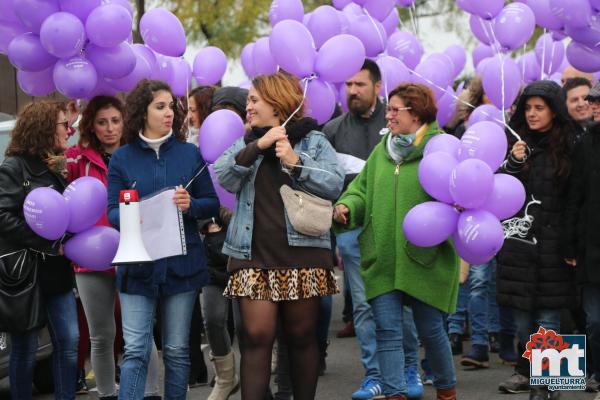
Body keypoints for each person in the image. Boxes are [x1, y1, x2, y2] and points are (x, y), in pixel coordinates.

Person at [214, 71, 344, 400]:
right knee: (256, 336)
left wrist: (295, 162)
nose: (249, 107)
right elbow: (225, 176)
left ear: (277, 103)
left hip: (303, 254)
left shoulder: (313, 140)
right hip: (252, 256)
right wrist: (258, 145)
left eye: (255, 100)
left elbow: (333, 183)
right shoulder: (247, 141)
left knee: (301, 336)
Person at [334, 83, 459, 400]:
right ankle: (394, 394)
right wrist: (348, 206)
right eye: (388, 109)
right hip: (384, 258)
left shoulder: (441, 149)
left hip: (425, 260)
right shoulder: (382, 151)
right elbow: (360, 190)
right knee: (387, 333)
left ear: (415, 114)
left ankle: (446, 392)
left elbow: (458, 195)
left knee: (432, 333)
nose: (387, 115)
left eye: (394, 110)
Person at [107, 79, 219, 399]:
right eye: (160, 106)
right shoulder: (122, 158)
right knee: (136, 351)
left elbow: (210, 203)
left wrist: (191, 205)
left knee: (176, 350)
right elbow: (112, 211)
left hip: (181, 265)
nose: (169, 112)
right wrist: (131, 215)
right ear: (142, 112)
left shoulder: (189, 154)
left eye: (171, 106)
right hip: (137, 267)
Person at [66, 95, 161, 400]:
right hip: (89, 258)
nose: (110, 129)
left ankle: (151, 394)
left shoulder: (139, 156)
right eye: (102, 122)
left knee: (140, 333)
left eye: (115, 121)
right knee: (101, 335)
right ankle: (107, 394)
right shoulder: (76, 160)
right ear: (91, 127)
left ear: (125, 122)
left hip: (134, 254)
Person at [496, 80, 575, 400]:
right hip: (519, 245)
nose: (531, 114)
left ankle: (548, 388)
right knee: (525, 321)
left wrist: (570, 242)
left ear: (554, 112)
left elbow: (575, 198)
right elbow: (495, 187)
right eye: (527, 108)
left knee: (550, 318)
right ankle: (539, 380)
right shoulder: (513, 143)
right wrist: (514, 162)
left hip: (556, 246)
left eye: (539, 108)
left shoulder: (570, 144)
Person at [0, 101, 79, 400]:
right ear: (44, 128)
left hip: (56, 272)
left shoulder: (55, 166)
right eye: (63, 124)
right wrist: (46, 243)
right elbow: (3, 217)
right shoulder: (13, 168)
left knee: (69, 342)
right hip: (25, 275)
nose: (68, 130)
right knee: (25, 348)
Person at [322, 59, 387, 400]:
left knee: (396, 305)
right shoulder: (332, 131)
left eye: (360, 84)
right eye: (348, 84)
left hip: (393, 230)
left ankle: (405, 369)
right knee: (362, 305)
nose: (352, 91)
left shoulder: (397, 123)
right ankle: (374, 374)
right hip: (351, 231)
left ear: (377, 86)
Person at [563, 121, 600, 393]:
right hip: (591, 249)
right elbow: (574, 196)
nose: (593, 105)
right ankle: (596, 371)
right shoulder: (585, 143)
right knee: (595, 320)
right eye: (593, 100)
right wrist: (570, 244)